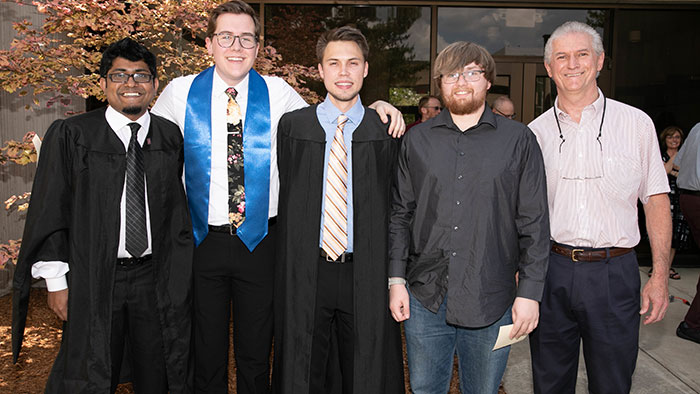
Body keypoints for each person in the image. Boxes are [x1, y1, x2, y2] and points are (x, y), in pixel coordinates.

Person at [151, 2, 404, 392]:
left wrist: (376, 108)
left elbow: (332, 123)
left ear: (257, 45)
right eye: (226, 37)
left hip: (261, 244)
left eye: (246, 38)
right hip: (201, 244)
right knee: (205, 353)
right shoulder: (179, 93)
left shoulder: (279, 93)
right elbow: (152, 157)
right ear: (208, 44)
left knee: (256, 355)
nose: (236, 46)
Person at [12, 38, 193, 394]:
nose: (131, 83)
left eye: (141, 75)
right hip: (93, 278)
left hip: (153, 278)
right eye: (120, 75)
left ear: (155, 85)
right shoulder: (73, 134)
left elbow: (175, 210)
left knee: (158, 370)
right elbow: (51, 210)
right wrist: (56, 282)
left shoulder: (169, 136)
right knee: (90, 370)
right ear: (103, 83)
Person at [388, 41, 550, 394]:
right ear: (440, 83)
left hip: (492, 295)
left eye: (472, 72)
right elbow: (401, 214)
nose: (461, 82)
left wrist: (530, 293)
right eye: (451, 74)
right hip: (425, 294)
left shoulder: (519, 140)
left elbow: (534, 222)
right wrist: (395, 279)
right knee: (425, 389)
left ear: (488, 81)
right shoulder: (417, 141)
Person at [527, 21, 672, 394]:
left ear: (600, 60)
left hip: (615, 273)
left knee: (612, 384)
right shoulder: (534, 134)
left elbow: (655, 200)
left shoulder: (636, 124)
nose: (572, 64)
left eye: (582, 54)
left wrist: (659, 277)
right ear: (549, 67)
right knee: (549, 383)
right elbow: (522, 213)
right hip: (551, 273)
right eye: (562, 56)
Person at [274, 26, 404, 394]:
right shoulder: (293, 127)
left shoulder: (385, 132)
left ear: (366, 69)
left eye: (352, 63)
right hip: (306, 270)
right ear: (320, 70)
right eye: (334, 63)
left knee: (365, 370)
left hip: (364, 273)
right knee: (303, 369)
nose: (343, 72)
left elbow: (397, 207)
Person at [647, 126, 689, 280]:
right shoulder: (659, 155)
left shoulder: (686, 156)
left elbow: (685, 174)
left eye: (677, 137)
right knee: (660, 232)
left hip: (679, 199)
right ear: (665, 139)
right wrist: (674, 161)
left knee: (675, 236)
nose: (674, 140)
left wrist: (672, 170)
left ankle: (667, 268)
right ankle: (657, 266)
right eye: (670, 137)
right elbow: (662, 172)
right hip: (663, 198)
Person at [672, 121, 700, 345]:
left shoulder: (697, 128)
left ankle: (693, 322)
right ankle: (692, 324)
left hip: (689, 198)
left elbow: (679, 163)